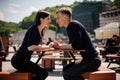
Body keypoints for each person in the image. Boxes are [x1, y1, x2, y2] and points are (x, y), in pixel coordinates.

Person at [52, 7, 101, 80]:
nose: (56, 20)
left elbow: (76, 46)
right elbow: (72, 45)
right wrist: (59, 46)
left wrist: (59, 47)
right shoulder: (70, 26)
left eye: (58, 18)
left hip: (92, 61)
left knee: (68, 74)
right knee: (66, 69)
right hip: (87, 60)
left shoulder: (73, 25)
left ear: (65, 17)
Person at [11, 10, 51, 80]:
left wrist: (49, 46)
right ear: (41, 19)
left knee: (42, 72)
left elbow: (39, 46)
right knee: (44, 73)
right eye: (48, 19)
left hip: (24, 60)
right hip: (19, 60)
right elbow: (30, 47)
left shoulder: (40, 31)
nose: (49, 21)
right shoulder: (33, 29)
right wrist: (48, 47)